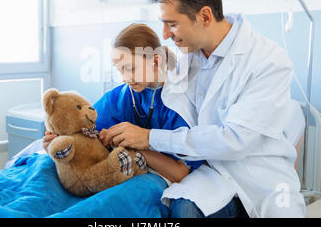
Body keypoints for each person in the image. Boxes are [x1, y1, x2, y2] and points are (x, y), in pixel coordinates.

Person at [100, 0, 307, 218]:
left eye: (172, 24)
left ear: (205, 16)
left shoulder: (268, 61)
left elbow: (234, 141)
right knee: (183, 208)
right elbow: (151, 89)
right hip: (210, 173)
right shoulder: (187, 57)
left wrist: (148, 138)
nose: (165, 35)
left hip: (259, 178)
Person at [43, 23, 204, 185]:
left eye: (130, 68)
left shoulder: (177, 104)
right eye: (119, 70)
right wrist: (56, 140)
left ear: (155, 61)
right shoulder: (118, 98)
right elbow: (81, 131)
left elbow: (180, 172)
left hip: (149, 180)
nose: (124, 78)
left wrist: (137, 144)